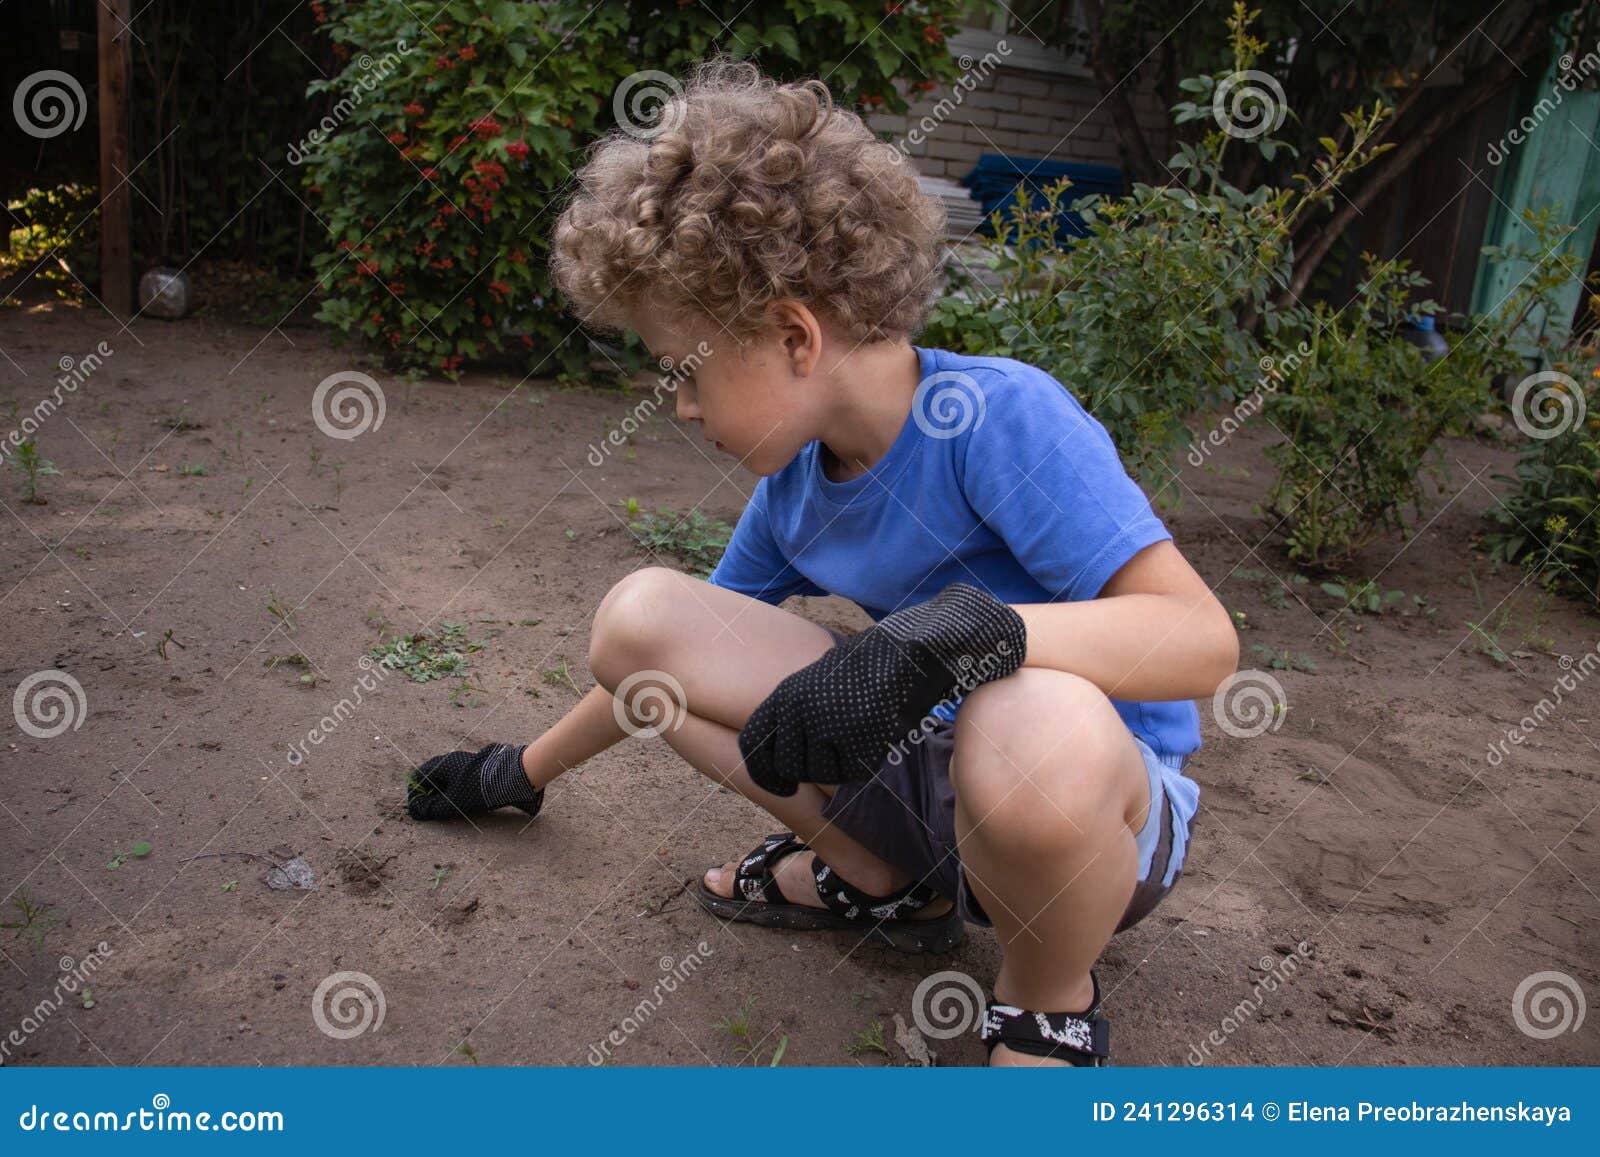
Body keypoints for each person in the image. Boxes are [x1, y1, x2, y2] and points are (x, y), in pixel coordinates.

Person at [406, 56, 1238, 1066]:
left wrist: (965, 635)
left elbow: (1200, 642)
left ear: (794, 334)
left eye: (687, 369)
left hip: (1089, 816)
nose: (679, 405)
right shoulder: (794, 490)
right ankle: (886, 881)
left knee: (1028, 711)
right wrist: (521, 769)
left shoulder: (995, 416)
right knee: (644, 621)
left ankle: (1043, 1000)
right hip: (937, 798)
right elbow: (653, 670)